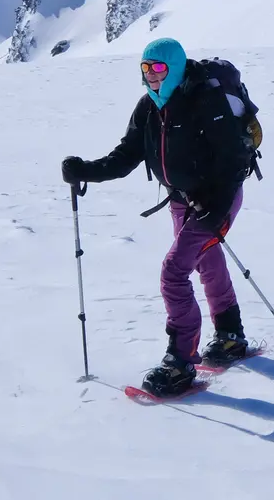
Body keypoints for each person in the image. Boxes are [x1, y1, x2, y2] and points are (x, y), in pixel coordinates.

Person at [59, 38, 257, 397]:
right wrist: (84, 171)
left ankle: (180, 362)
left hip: (217, 199)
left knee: (174, 270)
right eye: (145, 69)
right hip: (182, 201)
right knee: (206, 261)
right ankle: (230, 335)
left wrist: (216, 206)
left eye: (158, 68)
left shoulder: (205, 102)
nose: (151, 76)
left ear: (175, 68)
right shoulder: (149, 107)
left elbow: (233, 160)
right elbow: (125, 156)